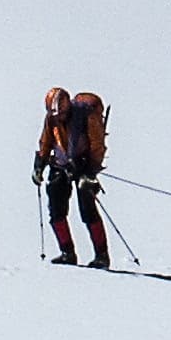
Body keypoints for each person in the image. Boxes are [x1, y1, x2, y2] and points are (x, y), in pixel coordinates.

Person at [33, 86, 110, 268]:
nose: (59, 117)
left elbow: (97, 145)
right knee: (56, 209)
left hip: (84, 166)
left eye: (62, 113)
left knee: (88, 210)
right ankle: (67, 253)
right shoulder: (51, 119)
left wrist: (90, 173)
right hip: (60, 165)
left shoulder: (86, 116)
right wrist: (39, 165)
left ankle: (102, 256)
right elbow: (46, 141)